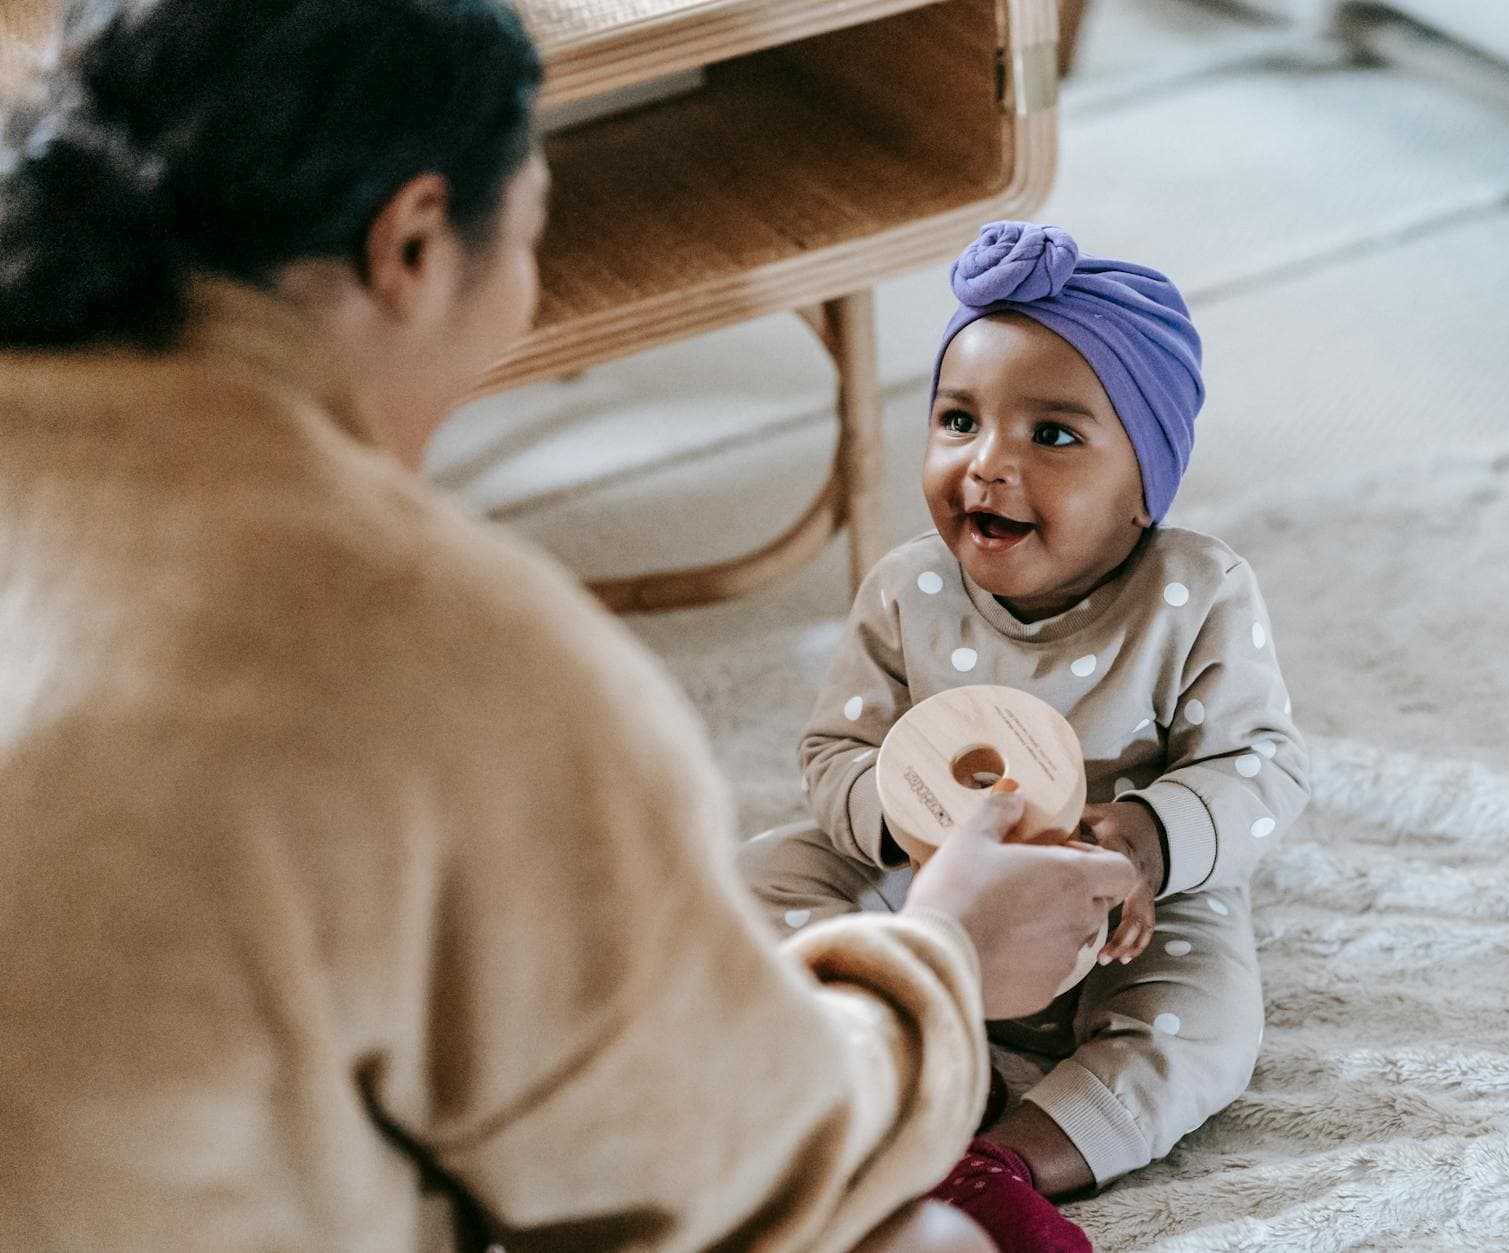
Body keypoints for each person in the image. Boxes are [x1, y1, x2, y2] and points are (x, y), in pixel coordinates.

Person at [0, 4, 1136, 1250]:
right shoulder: (444, 652)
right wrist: (944, 957)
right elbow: (728, 1161)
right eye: (533, 235)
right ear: (415, 242)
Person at [740, 221, 1313, 1249]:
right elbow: (834, 752)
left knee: (1209, 1020)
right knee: (757, 879)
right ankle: (895, 1074)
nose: (987, 464)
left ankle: (999, 1156)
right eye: (958, 420)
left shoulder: (1192, 592)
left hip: (1119, 915)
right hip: (923, 899)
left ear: (1145, 487)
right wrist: (901, 828)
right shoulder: (909, 588)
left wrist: (1144, 836)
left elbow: (1262, 765)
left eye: (1051, 436)